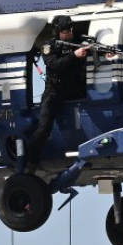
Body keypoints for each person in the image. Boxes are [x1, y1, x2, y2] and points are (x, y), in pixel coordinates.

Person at [26, 17, 100, 167]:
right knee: (44, 125)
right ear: (58, 32)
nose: (69, 34)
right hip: (55, 90)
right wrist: (74, 55)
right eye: (66, 32)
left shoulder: (78, 41)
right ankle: (31, 161)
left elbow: (94, 49)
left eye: (70, 31)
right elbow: (54, 65)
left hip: (74, 89)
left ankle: (84, 156)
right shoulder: (49, 45)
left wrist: (105, 53)